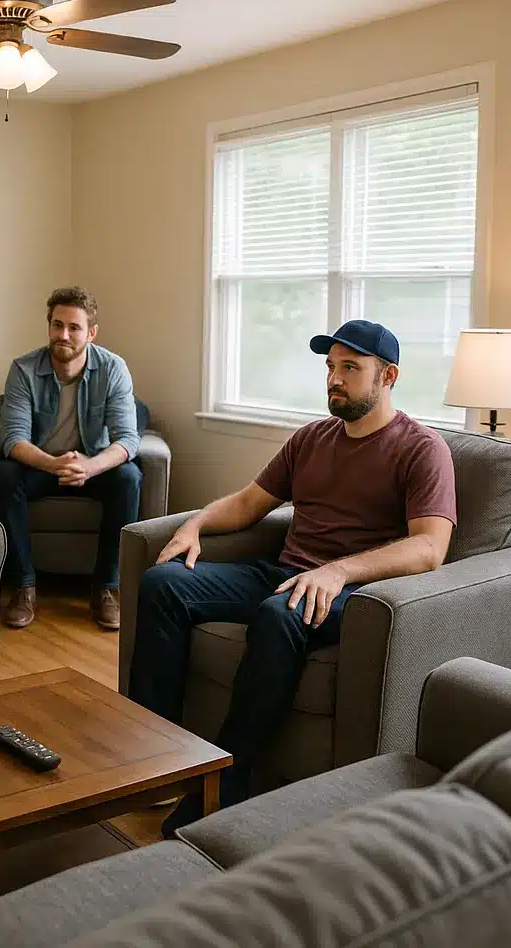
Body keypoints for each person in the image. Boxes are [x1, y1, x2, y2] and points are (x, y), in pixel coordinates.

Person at [127, 320, 457, 837]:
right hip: (283, 572)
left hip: (354, 593)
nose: (335, 378)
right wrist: (195, 525)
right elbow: (248, 504)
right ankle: (157, 755)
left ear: (388, 376)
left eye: (351, 367)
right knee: (164, 582)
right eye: (330, 367)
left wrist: (338, 571)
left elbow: (430, 548)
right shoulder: (311, 439)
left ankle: (226, 784)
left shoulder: (421, 448)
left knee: (279, 613)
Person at [0, 287, 142, 631]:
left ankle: (106, 588)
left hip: (92, 464)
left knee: (129, 479)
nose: (63, 335)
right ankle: (24, 586)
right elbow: (13, 439)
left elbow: (128, 439)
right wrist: (54, 464)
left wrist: (90, 467)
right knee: (3, 475)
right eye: (57, 325)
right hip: (43, 463)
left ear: (91, 333)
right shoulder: (24, 369)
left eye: (74, 327)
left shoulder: (113, 368)